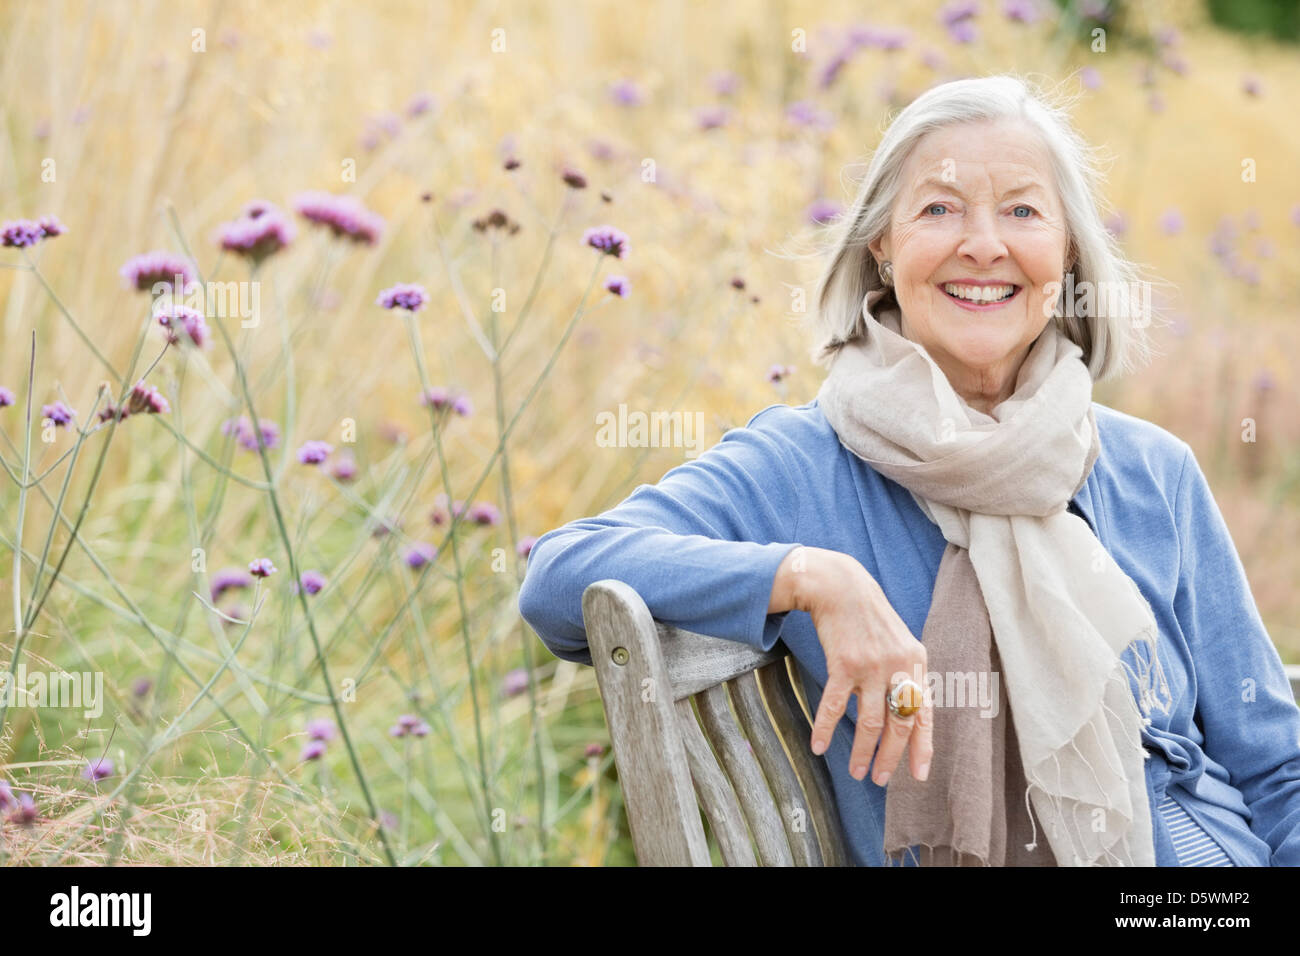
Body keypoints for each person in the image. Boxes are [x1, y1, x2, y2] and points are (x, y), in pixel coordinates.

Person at [517, 74, 1300, 866]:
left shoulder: (1151, 472)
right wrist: (811, 577)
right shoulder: (802, 468)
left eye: (1023, 211)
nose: (984, 245)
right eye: (939, 209)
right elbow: (557, 574)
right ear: (882, 249)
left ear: (1065, 254)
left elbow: (1275, 766)